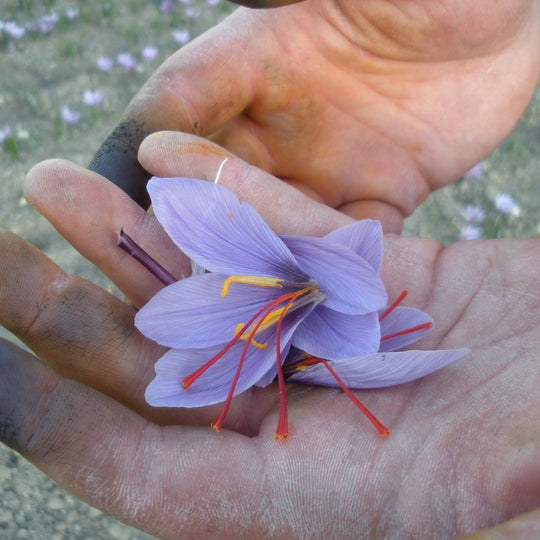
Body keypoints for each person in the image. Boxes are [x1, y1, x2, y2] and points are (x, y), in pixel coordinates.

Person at [0, 1, 539, 537]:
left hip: (300, 297)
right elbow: (338, 297)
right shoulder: (279, 312)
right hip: (285, 290)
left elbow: (352, 301)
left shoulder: (310, 312)